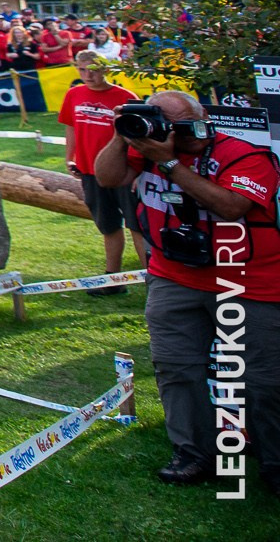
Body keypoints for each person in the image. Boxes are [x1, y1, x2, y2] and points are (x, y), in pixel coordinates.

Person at [94, 90, 279, 489]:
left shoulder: (246, 155)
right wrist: (121, 134)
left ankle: (275, 461)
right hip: (172, 276)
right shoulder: (146, 148)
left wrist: (171, 163)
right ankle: (195, 454)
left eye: (170, 126)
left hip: (250, 281)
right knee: (177, 369)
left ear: (199, 121)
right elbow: (107, 178)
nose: (162, 133)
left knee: (263, 380)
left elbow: (231, 206)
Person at [57, 55, 148, 285]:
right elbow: (71, 127)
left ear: (105, 69)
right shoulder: (74, 94)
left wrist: (137, 171)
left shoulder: (125, 97)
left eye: (93, 70)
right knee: (107, 225)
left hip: (122, 172)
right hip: (90, 171)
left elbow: (138, 138)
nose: (88, 75)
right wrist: (70, 158)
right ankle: (113, 278)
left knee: (136, 224)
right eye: (82, 70)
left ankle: (152, 278)